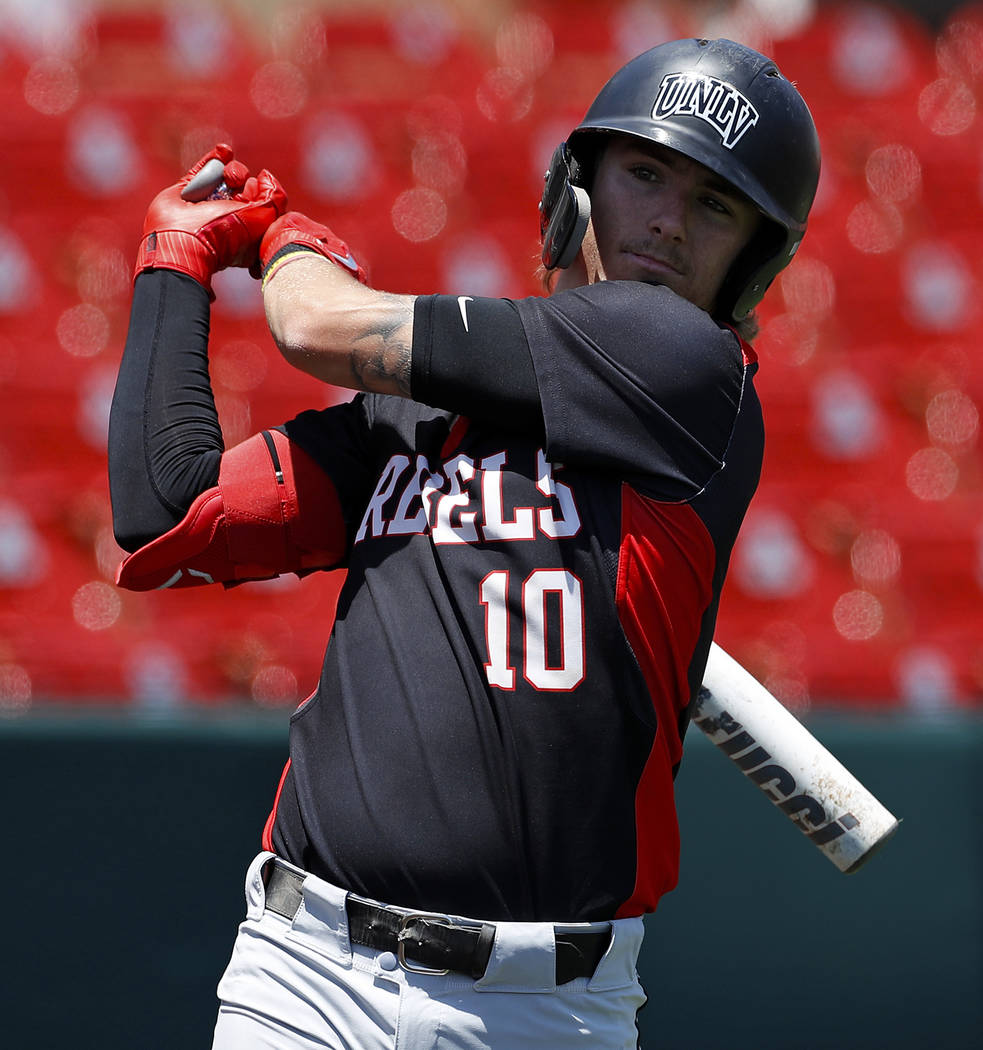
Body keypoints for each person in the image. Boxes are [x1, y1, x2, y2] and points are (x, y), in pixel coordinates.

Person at [109, 36, 820, 1050]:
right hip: (303, 972)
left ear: (749, 257)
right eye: (646, 173)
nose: (666, 219)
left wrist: (281, 241)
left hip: (539, 1008)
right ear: (578, 188)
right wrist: (173, 263)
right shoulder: (417, 417)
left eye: (714, 205)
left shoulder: (689, 371)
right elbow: (170, 509)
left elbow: (313, 325)